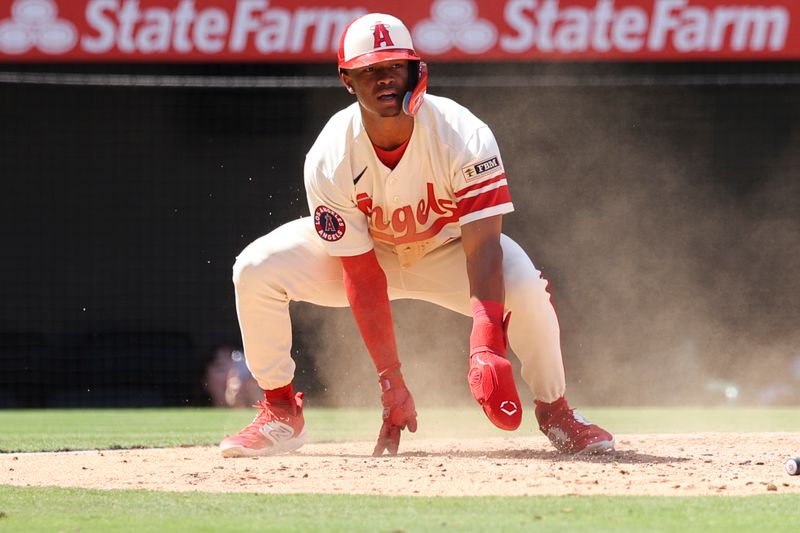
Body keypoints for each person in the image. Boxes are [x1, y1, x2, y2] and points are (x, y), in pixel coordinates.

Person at [219, 13, 614, 458]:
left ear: (415, 70)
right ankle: (281, 413)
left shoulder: (463, 134)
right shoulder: (331, 155)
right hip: (370, 254)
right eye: (370, 70)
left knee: (525, 286)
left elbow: (483, 245)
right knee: (255, 269)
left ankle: (556, 412)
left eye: (394, 66)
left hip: (447, 252)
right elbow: (361, 273)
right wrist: (392, 382)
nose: (384, 79)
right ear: (347, 79)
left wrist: (486, 345)